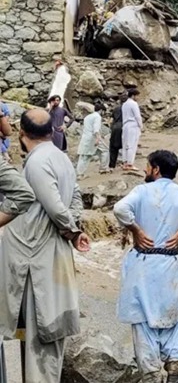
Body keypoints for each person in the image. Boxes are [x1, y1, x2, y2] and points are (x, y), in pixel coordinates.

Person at [0, 108, 89, 382]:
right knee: (48, 328)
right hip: (52, 252)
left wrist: (72, 231)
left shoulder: (37, 162)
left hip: (36, 257)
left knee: (41, 330)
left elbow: (54, 206)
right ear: (52, 131)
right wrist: (74, 227)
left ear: (22, 133)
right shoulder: (61, 158)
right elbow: (75, 198)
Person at [114, 150, 178, 383]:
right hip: (171, 262)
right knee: (174, 314)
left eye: (147, 166)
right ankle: (174, 366)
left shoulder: (142, 191)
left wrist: (135, 229)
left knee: (143, 317)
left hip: (145, 262)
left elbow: (120, 209)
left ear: (156, 169)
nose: (145, 169)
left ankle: (150, 373)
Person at [76, 102, 110, 178]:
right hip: (93, 138)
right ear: (101, 110)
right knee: (104, 150)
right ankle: (103, 168)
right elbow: (96, 129)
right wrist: (98, 138)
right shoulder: (97, 117)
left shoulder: (88, 117)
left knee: (84, 155)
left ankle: (79, 173)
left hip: (86, 138)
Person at [122, 88, 143, 172]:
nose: (138, 98)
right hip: (132, 125)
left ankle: (125, 162)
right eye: (137, 96)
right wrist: (141, 125)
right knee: (132, 145)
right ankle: (130, 163)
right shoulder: (134, 104)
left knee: (125, 145)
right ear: (133, 96)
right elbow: (137, 116)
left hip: (125, 125)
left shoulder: (124, 104)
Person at [108, 92, 126, 170]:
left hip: (115, 127)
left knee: (113, 147)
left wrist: (111, 127)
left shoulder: (116, 108)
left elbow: (111, 119)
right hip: (124, 127)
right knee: (125, 146)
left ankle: (112, 166)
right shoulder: (128, 108)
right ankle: (125, 163)